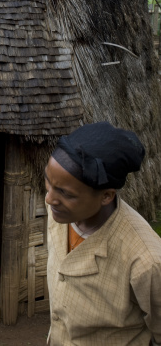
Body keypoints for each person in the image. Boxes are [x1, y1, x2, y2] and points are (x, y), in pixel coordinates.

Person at [45, 121, 161, 346]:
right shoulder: (59, 211)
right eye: (48, 183)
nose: (49, 198)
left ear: (106, 196)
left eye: (64, 192)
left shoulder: (147, 262)